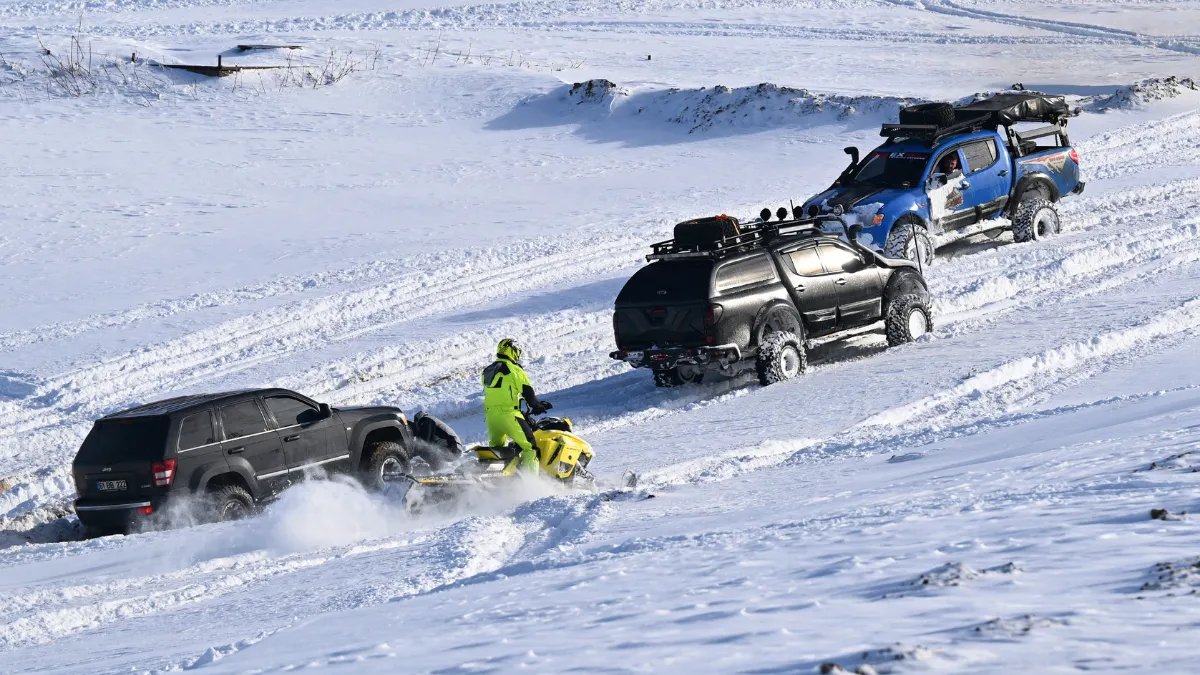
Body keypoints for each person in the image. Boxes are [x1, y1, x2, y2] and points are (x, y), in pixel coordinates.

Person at [482, 338, 550, 474]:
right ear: (514, 351)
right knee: (530, 447)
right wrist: (537, 406)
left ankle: (498, 478)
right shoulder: (515, 370)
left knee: (497, 450)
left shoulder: (487, 371)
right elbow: (528, 393)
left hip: (491, 416)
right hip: (509, 415)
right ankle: (531, 484)